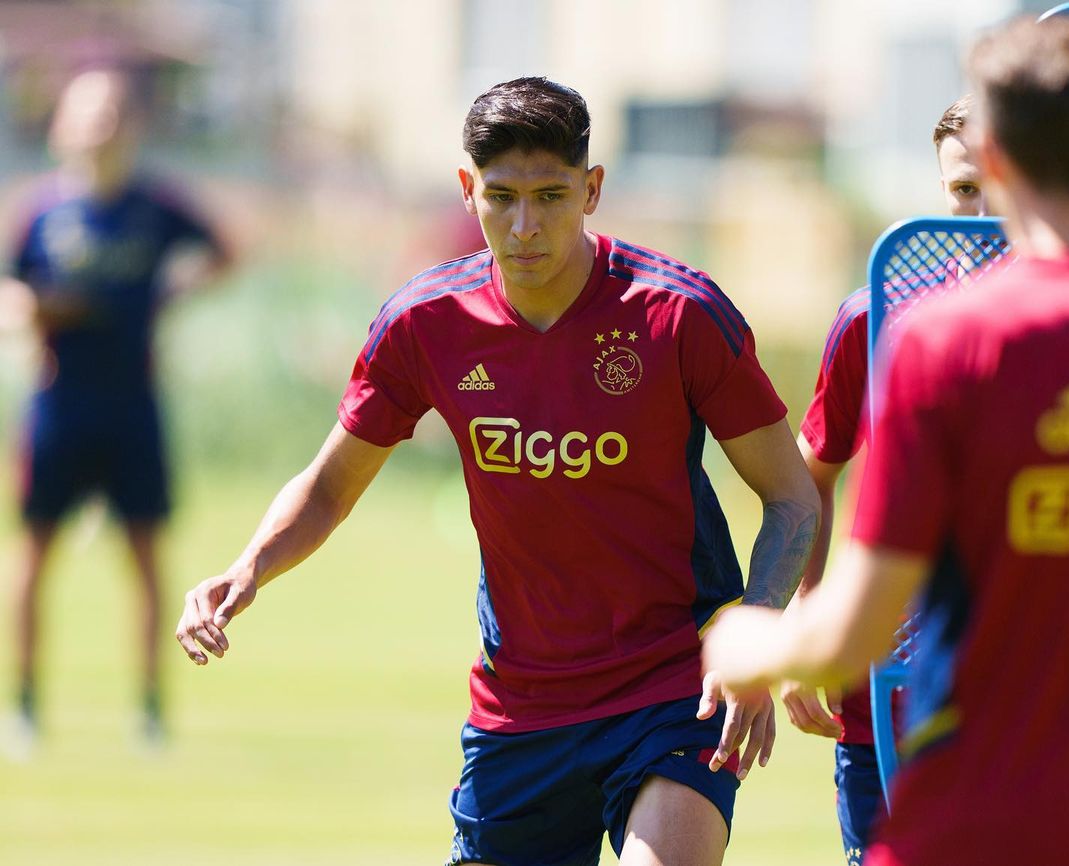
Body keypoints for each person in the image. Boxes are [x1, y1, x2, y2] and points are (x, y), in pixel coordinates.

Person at [176, 76, 820, 866]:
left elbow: (791, 497)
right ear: (466, 189)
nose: (525, 226)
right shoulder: (424, 323)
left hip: (674, 684)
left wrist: (756, 635)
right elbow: (331, 485)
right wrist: (247, 567)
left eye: (551, 196)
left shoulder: (678, 313)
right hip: (522, 705)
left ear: (592, 190)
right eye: (502, 197)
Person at [701, 15, 1069, 866]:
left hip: (974, 802)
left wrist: (753, 641)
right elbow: (819, 474)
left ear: (1001, 159)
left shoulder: (950, 342)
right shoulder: (893, 320)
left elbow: (858, 627)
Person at [782, 93, 990, 866]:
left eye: (1004, 183)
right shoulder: (876, 316)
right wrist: (806, 617)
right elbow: (812, 473)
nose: (983, 212)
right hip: (891, 696)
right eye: (964, 189)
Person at [3, 68, 230, 747]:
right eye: (88, 112)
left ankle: (151, 710)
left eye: (112, 113)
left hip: (133, 403)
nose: (100, 126)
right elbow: (9, 291)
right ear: (62, 125)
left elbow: (223, 253)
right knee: (34, 553)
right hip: (59, 403)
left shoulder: (155, 207)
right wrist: (35, 309)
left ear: (131, 126)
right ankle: (25, 706)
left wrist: (173, 295)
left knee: (146, 557)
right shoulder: (41, 211)